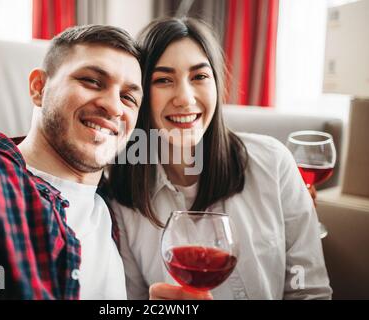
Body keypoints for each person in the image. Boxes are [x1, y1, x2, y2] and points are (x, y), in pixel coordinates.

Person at [106, 17, 333, 300]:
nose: (185, 98)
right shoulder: (122, 194)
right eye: (163, 80)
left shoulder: (274, 163)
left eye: (199, 77)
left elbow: (310, 291)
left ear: (216, 84)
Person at [0, 24, 143, 299]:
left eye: (128, 97)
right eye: (91, 81)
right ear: (39, 88)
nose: (114, 107)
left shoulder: (119, 208)